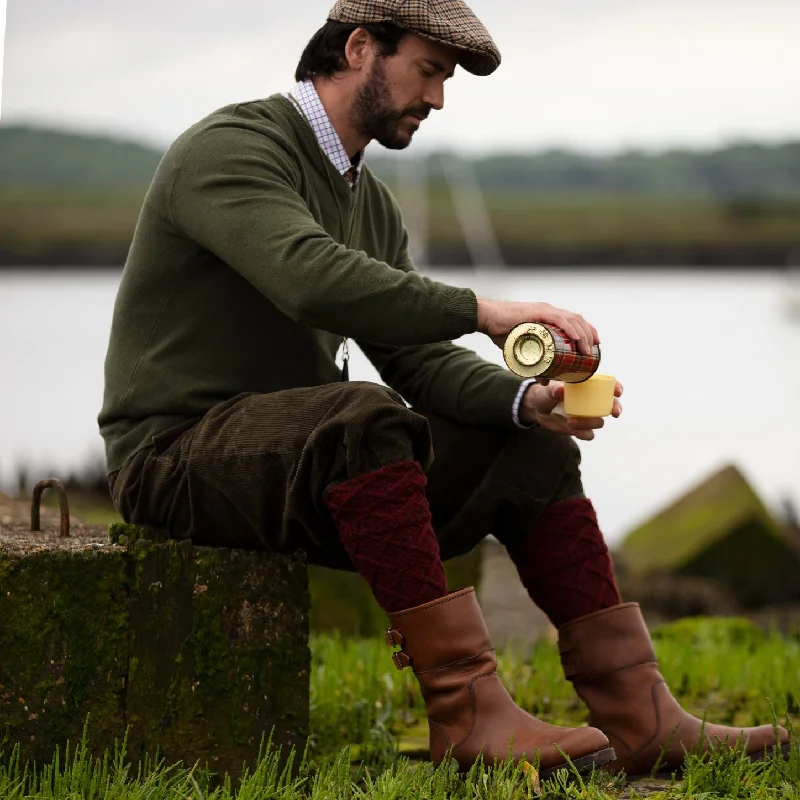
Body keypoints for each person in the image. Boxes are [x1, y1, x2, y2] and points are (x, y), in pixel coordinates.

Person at [97, 0, 789, 781]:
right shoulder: (231, 150)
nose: (438, 99)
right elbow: (308, 280)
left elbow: (416, 360)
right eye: (428, 72)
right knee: (362, 415)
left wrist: (528, 402)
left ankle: (641, 717)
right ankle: (468, 715)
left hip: (295, 461)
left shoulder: (370, 201)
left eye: (446, 80)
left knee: (527, 446)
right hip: (174, 457)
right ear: (360, 47)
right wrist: (485, 311)